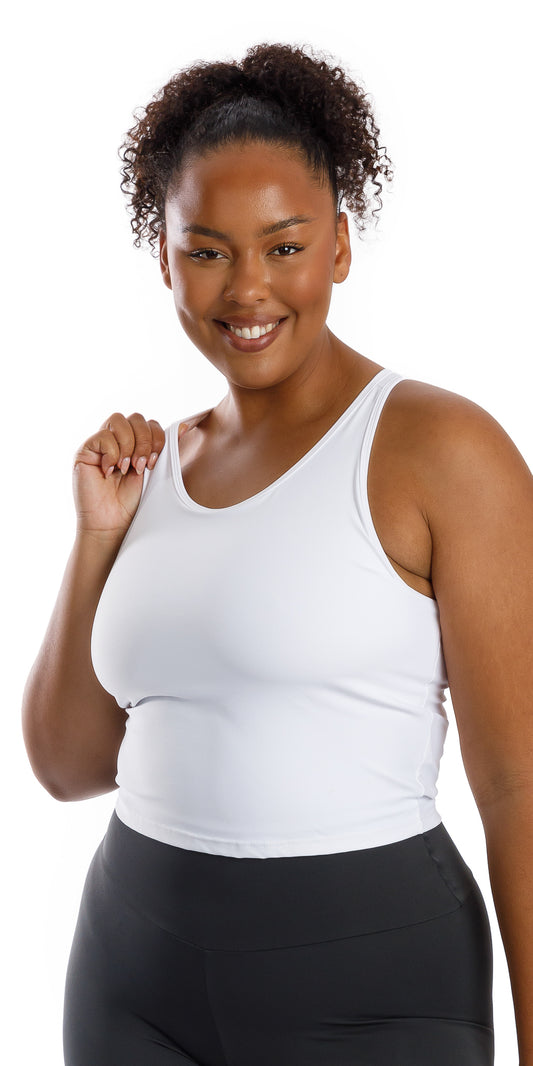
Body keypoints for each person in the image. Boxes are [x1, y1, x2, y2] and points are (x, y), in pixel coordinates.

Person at [21, 42, 533, 1066]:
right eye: (207, 250)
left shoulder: (439, 447)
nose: (248, 289)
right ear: (162, 256)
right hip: (132, 980)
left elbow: (517, 783)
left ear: (339, 246)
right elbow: (69, 765)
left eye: (284, 246)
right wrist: (97, 537)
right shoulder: (151, 467)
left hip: (372, 988)